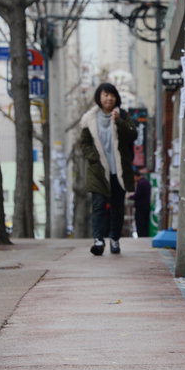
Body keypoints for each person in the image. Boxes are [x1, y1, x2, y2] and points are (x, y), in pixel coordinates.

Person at [79, 83, 137, 255]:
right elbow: (84, 143)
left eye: (112, 95)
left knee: (117, 206)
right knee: (97, 205)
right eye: (105, 95)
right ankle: (98, 240)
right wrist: (93, 158)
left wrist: (118, 121)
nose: (109, 98)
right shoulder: (89, 118)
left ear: (116, 97)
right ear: (99, 97)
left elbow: (133, 135)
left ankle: (115, 239)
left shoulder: (123, 115)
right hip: (98, 170)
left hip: (119, 170)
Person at [128, 170, 151, 237]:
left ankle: (141, 235)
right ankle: (145, 235)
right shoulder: (147, 182)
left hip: (140, 207)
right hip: (146, 206)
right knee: (145, 223)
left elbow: (137, 195)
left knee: (140, 223)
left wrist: (129, 197)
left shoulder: (140, 183)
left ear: (136, 176)